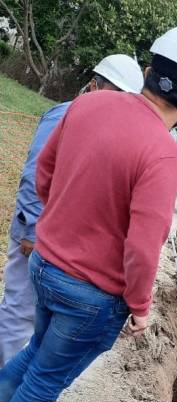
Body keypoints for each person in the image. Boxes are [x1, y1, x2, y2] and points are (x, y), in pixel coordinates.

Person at [0, 24, 177, 402]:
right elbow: (142, 246)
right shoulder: (163, 154)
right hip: (90, 295)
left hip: (45, 265)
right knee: (42, 383)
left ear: (150, 70)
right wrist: (139, 306)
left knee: (33, 357)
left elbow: (45, 175)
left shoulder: (87, 105)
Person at [0, 54, 144, 368]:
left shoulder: (102, 129)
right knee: (17, 314)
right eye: (113, 97)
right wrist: (30, 230)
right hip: (35, 236)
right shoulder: (64, 115)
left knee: (33, 322)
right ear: (93, 86)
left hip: (56, 245)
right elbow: (34, 176)